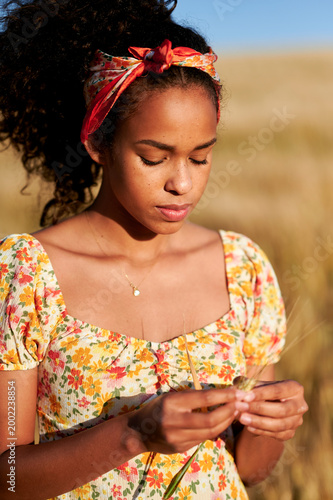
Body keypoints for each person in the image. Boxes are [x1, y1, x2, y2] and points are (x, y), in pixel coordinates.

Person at [0, 1, 308, 499]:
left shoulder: (243, 269)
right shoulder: (25, 275)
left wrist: (272, 425)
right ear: (98, 143)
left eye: (202, 156)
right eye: (153, 157)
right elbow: (6, 479)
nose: (182, 184)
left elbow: (247, 471)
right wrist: (133, 433)